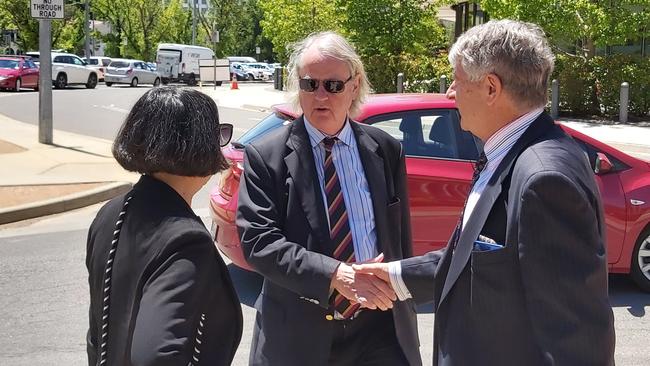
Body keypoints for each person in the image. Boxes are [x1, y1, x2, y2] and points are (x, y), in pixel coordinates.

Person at [355, 20, 616, 365]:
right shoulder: (511, 153)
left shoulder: (543, 178)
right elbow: (475, 260)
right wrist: (394, 276)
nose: (450, 93)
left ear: (491, 88)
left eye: (458, 81)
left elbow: (577, 340)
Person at [236, 31, 421, 366]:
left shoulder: (385, 149)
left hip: (378, 330)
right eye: (310, 84)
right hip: (300, 337)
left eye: (333, 85)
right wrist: (336, 274)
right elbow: (259, 244)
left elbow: (399, 240)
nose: (320, 95)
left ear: (354, 85)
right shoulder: (266, 156)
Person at [86, 87, 243, 366]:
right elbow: (157, 355)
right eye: (216, 135)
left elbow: (98, 334)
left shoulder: (110, 213)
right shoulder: (186, 241)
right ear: (198, 145)